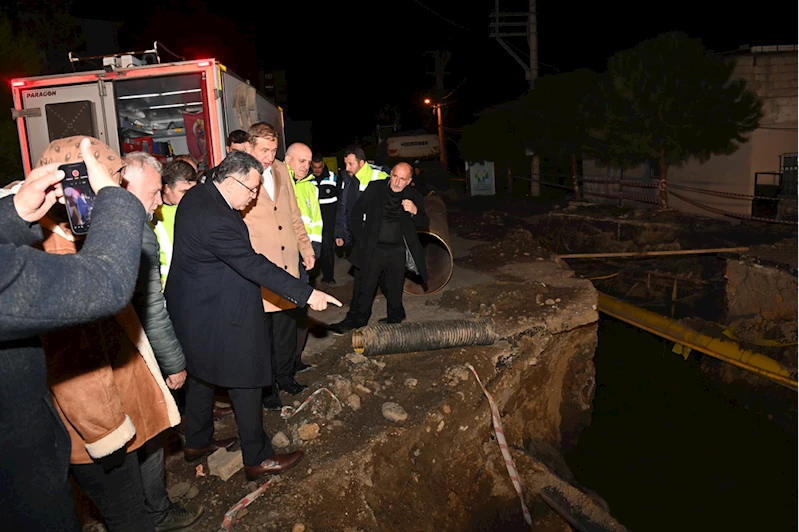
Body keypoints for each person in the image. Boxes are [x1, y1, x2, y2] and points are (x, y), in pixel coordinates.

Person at [164, 150, 341, 482]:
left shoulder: (200, 194)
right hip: (217, 308)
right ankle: (258, 458)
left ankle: (198, 441)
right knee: (245, 376)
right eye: (251, 189)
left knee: (201, 372)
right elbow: (252, 263)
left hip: (194, 305)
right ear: (231, 180)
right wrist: (307, 293)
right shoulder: (214, 218)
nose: (254, 196)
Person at [0, 137, 146, 531]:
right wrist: (115, 200)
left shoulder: (40, 232)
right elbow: (105, 287)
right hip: (28, 476)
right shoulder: (49, 249)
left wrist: (12, 214)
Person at [242, 124, 315, 408]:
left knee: (286, 329)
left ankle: (285, 377)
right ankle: (267, 387)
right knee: (263, 335)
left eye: (274, 150)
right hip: (259, 268)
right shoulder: (238, 175)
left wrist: (306, 249)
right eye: (264, 150)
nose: (270, 156)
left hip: (287, 265)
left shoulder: (282, 171)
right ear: (249, 148)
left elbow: (293, 214)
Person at [329, 163, 428, 334]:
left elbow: (424, 223)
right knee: (364, 287)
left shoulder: (414, 196)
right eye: (395, 176)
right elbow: (356, 212)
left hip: (397, 251)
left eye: (402, 179)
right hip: (373, 249)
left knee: (394, 288)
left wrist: (414, 210)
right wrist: (361, 238)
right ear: (391, 174)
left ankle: (395, 318)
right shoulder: (376, 188)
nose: (397, 182)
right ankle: (356, 321)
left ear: (409, 181)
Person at [287, 143, 323, 371]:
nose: (306, 166)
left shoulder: (310, 186)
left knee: (301, 307)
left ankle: (296, 359)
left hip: (305, 258)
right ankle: (283, 362)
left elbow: (316, 220)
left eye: (308, 162)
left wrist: (313, 251)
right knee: (284, 312)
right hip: (284, 257)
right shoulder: (279, 183)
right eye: (301, 161)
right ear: (288, 159)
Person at [334, 144, 388, 251]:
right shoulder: (347, 180)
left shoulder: (380, 177)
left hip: (377, 238)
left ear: (361, 163)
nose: (347, 168)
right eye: (345, 164)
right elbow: (342, 208)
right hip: (355, 237)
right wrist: (340, 233)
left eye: (350, 164)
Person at [310, 152, 339, 286]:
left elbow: (340, 201)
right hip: (312, 223)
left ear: (323, 165)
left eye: (319, 167)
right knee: (313, 251)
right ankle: (312, 280)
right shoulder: (307, 179)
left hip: (329, 222)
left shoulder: (333, 178)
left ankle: (328, 277)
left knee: (327, 250)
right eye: (314, 167)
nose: (317, 170)